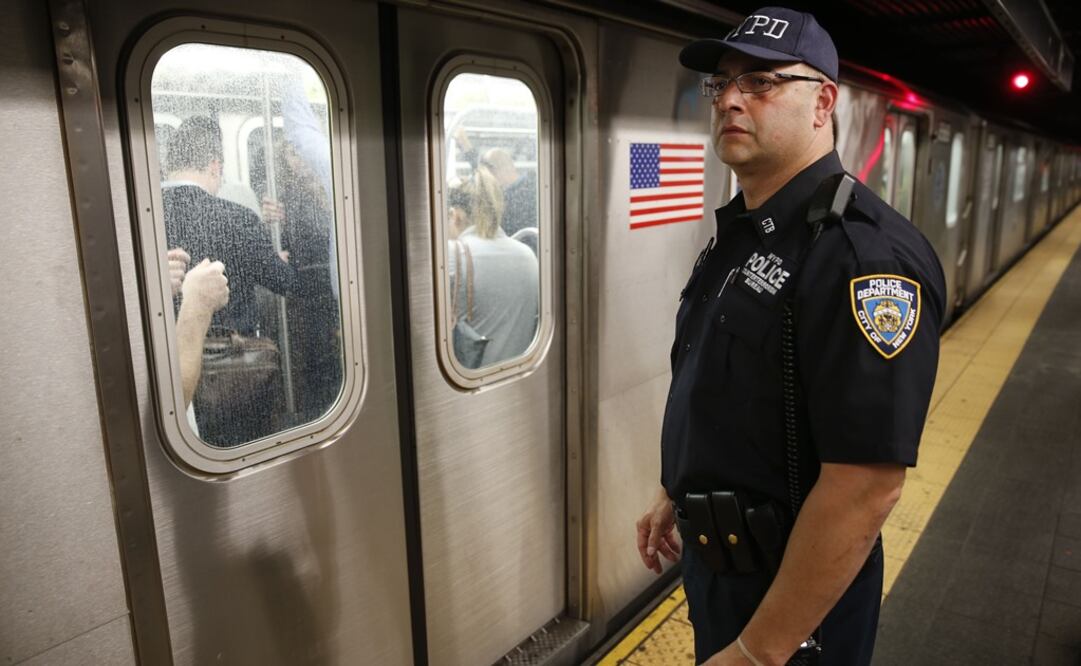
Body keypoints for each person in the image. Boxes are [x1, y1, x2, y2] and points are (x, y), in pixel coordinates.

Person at [635, 7, 945, 666]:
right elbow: (726, 389)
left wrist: (758, 650)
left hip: (793, 605)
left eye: (762, 82)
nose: (731, 100)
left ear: (822, 102)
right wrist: (675, 488)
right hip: (721, 570)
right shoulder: (745, 235)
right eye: (722, 84)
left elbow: (866, 484)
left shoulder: (862, 258)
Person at [162, 115, 298, 445]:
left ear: (170, 164)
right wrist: (272, 258)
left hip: (164, 366)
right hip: (234, 371)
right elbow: (285, 282)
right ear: (214, 165)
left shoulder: (138, 216)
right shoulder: (235, 218)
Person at [447, 165, 539, 368]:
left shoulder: (452, 254)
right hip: (518, 379)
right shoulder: (528, 255)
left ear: (455, 215)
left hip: (469, 385)